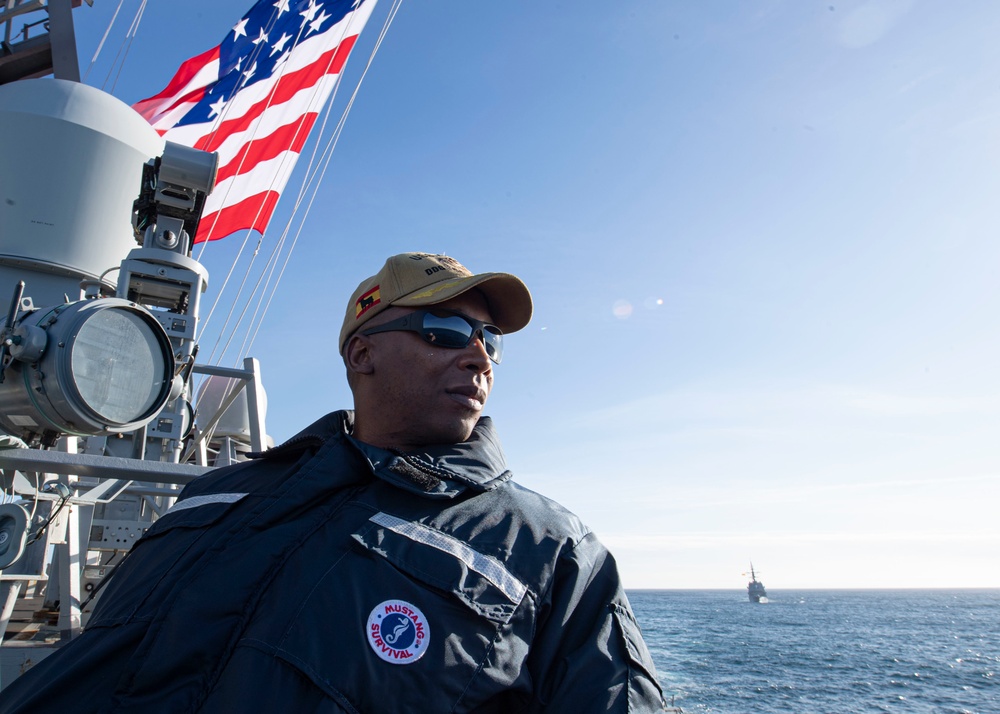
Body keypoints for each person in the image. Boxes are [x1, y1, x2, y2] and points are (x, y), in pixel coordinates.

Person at [0, 252, 666, 713]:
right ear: (363, 352)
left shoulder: (551, 552)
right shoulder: (218, 492)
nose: (478, 355)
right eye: (446, 330)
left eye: (490, 340)